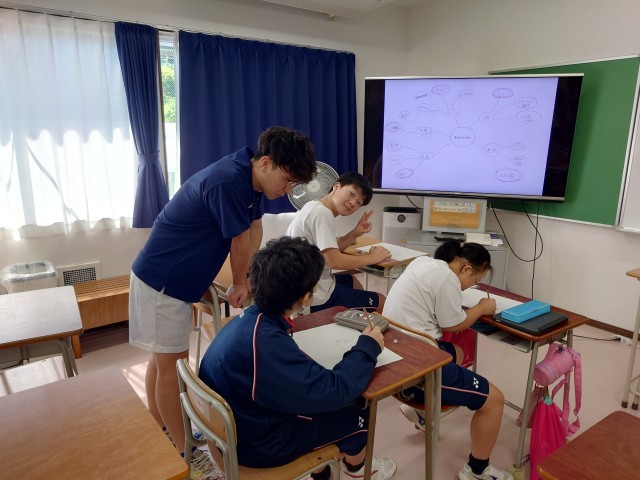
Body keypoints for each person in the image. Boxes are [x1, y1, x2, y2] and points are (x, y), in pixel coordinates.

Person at [128, 127, 317, 471]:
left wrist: (250, 278)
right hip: (163, 280)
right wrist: (241, 283)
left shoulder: (249, 179)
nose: (287, 190)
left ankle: (163, 433)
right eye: (287, 180)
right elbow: (239, 241)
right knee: (173, 369)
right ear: (266, 163)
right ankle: (186, 456)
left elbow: (255, 228)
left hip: (176, 278)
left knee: (162, 362)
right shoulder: (229, 180)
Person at [198, 236, 397, 480]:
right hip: (257, 447)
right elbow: (335, 391)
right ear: (305, 298)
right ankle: (358, 467)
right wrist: (367, 347)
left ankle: (322, 471)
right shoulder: (265, 343)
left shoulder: (250, 320)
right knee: (356, 410)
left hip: (236, 429)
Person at [383, 241, 514, 480]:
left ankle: (422, 413)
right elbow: (454, 324)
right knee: (494, 401)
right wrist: (482, 308)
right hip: (416, 371)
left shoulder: (424, 263)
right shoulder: (447, 279)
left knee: (457, 352)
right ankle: (477, 470)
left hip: (393, 355)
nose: (470, 287)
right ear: (466, 268)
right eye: (474, 281)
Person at [285, 171, 391, 313]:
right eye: (351, 194)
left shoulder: (313, 205)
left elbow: (328, 251)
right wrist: (373, 257)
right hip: (315, 295)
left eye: (359, 202)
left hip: (305, 284)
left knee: (353, 281)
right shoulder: (322, 214)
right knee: (382, 301)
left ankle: (354, 320)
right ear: (336, 187)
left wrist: (355, 233)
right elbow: (334, 261)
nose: (353, 203)